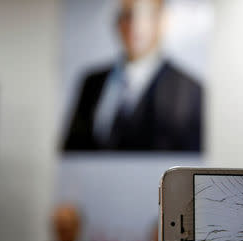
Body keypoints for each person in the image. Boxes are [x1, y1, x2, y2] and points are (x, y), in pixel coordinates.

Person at [63, 0, 202, 152]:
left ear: (162, 22)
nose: (135, 25)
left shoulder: (190, 90)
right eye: (128, 15)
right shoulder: (92, 83)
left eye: (146, 16)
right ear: (117, 23)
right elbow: (73, 149)